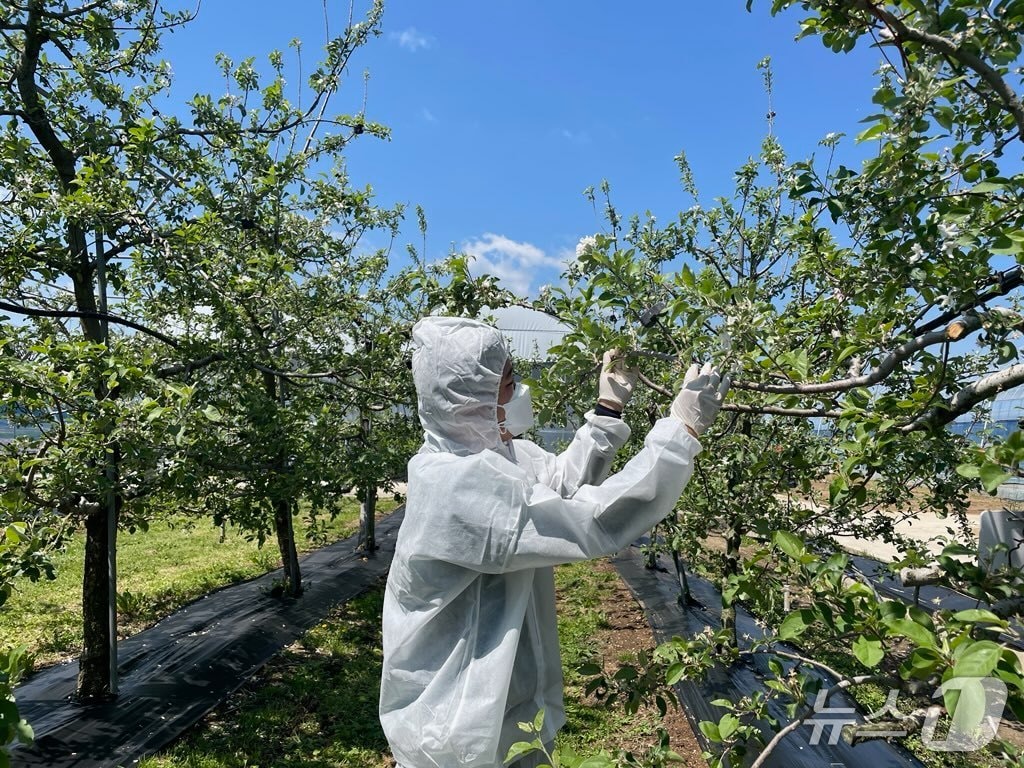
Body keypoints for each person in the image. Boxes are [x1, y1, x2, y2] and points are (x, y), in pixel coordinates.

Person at [380, 316, 729, 768]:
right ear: (470, 399)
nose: (519, 391)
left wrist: (607, 410)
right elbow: (591, 521)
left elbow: (560, 482)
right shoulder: (454, 485)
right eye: (508, 381)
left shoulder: (500, 455)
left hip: (503, 709)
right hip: (452, 728)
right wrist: (679, 434)